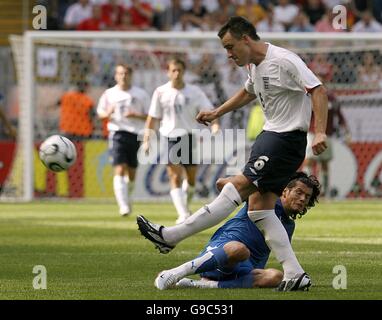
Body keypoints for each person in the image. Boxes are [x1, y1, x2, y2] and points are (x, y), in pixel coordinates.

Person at [137, 16, 328, 291]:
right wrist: (217, 112)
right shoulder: (254, 65)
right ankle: (295, 273)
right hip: (272, 136)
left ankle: (171, 236)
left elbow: (317, 90)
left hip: (284, 139)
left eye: (230, 47)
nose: (228, 54)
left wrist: (319, 131)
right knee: (259, 210)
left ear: (245, 39)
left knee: (237, 187)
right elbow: (248, 91)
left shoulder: (284, 60)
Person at [154, 172, 320, 290]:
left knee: (276, 277)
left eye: (307, 197)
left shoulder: (289, 225)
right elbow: (220, 183)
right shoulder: (263, 198)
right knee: (239, 249)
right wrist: (236, 183)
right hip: (224, 253)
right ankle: (175, 273)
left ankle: (203, 285)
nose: (302, 199)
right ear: (285, 191)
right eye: (299, 192)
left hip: (245, 269)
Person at [143, 57, 219, 224]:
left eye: (179, 70)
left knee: (190, 181)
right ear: (168, 72)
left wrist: (215, 125)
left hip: (189, 136)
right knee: (174, 176)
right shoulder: (160, 92)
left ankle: (186, 205)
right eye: (173, 70)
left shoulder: (195, 92)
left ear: (184, 72)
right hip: (170, 136)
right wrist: (147, 139)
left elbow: (209, 111)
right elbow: (153, 118)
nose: (176, 73)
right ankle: (183, 213)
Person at [97, 63, 150, 216]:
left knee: (132, 172)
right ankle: (123, 205)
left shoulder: (141, 94)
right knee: (119, 168)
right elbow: (100, 113)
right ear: (115, 76)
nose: (123, 76)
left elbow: (150, 115)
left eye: (126, 73)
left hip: (135, 134)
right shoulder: (109, 94)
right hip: (117, 133)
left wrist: (136, 115)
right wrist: (107, 112)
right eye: (120, 73)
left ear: (131, 75)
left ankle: (127, 197)